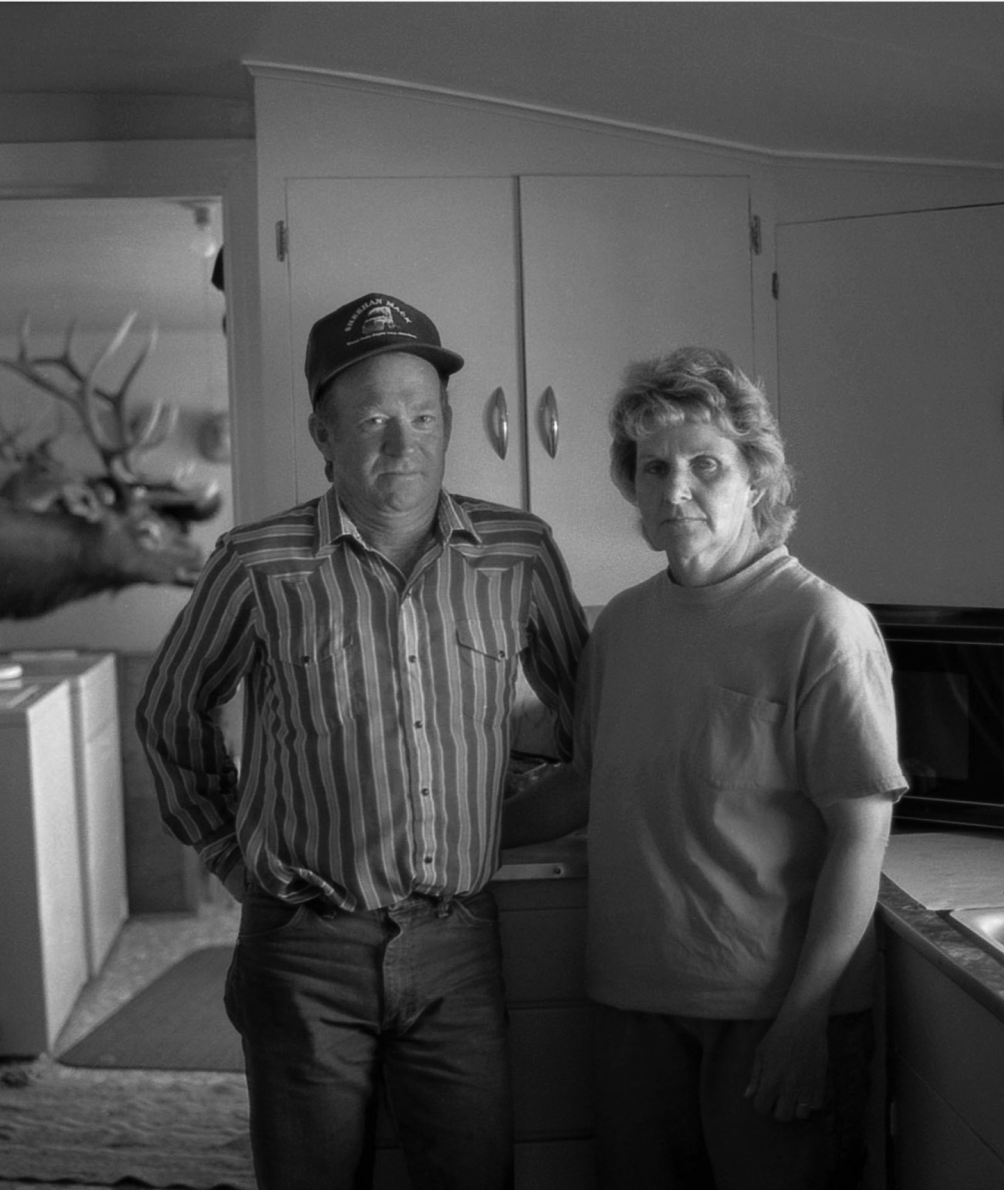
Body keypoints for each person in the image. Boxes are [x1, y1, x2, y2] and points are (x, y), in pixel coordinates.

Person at [138, 292, 588, 1190]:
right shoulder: (256, 563)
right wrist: (226, 852)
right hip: (303, 943)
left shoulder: (519, 552)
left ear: (448, 423)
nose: (401, 442)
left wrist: (511, 788)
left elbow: (594, 710)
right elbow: (170, 713)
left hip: (459, 939)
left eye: (423, 416)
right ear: (323, 433)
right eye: (374, 418)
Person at [506, 345, 906, 1189]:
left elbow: (861, 836)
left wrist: (807, 1019)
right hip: (631, 1003)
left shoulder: (822, 626)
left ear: (756, 478)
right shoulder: (622, 627)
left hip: (769, 1012)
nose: (675, 489)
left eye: (706, 465)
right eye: (653, 468)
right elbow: (584, 784)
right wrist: (458, 836)